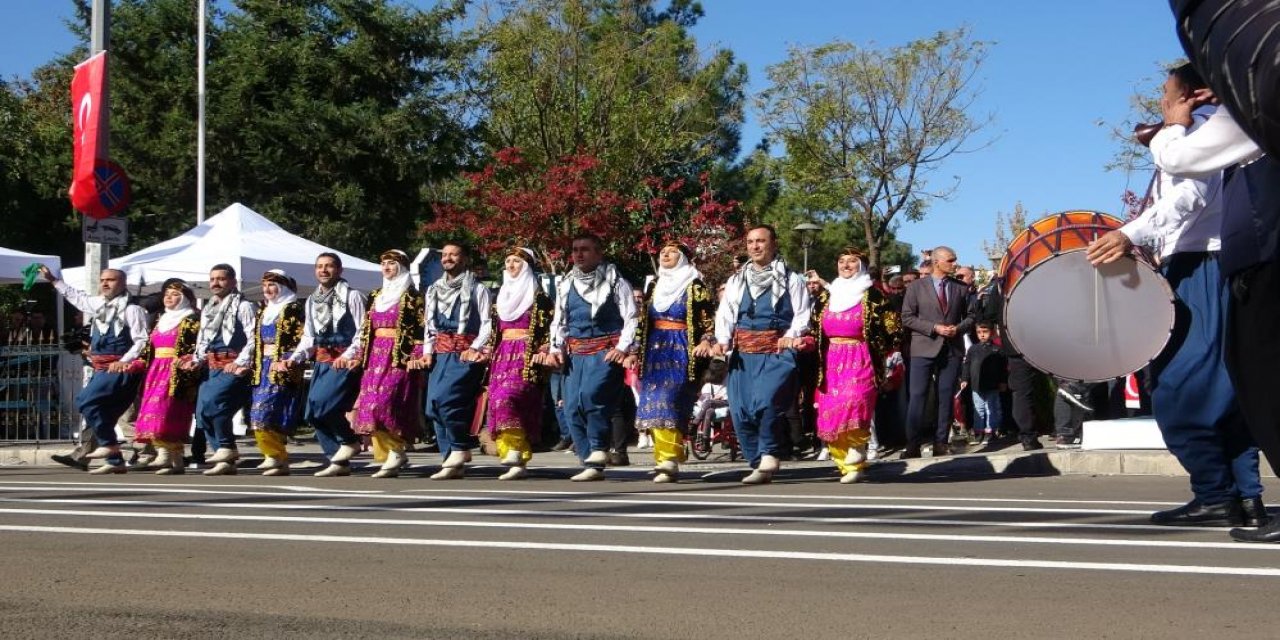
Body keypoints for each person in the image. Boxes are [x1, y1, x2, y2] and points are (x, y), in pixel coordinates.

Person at [1087, 63, 1265, 530]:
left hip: (1200, 267)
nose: (1163, 102)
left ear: (1194, 94)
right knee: (1230, 388)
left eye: (1168, 94)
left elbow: (1189, 197)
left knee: (1180, 388)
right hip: (1217, 265)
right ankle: (1245, 498)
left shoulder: (1198, 135)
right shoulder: (1218, 131)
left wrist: (1131, 234)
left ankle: (1213, 493)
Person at [697, 225, 811, 485]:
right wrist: (722, 340)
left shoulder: (790, 278)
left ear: (774, 244)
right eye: (750, 242)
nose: (755, 246)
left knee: (768, 402)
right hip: (743, 354)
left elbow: (802, 313)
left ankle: (770, 452)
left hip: (776, 351)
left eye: (761, 241)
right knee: (740, 411)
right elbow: (725, 313)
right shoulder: (738, 279)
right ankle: (758, 463)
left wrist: (792, 334)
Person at [539, 233, 639, 482]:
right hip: (575, 354)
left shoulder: (616, 282)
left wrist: (623, 347)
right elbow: (559, 321)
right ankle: (589, 462)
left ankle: (598, 448)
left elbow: (631, 317)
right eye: (575, 249)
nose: (579, 254)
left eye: (585, 249)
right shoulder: (566, 284)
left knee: (592, 397)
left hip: (604, 352)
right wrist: (555, 349)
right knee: (570, 407)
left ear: (598, 252)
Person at [40, 265, 148, 474]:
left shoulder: (132, 309)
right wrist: (53, 280)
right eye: (102, 280)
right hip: (102, 367)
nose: (105, 284)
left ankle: (110, 445)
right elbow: (78, 298)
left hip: (119, 369)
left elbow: (142, 340)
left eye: (111, 280)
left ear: (123, 283)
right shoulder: (100, 305)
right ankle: (115, 460)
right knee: (103, 412)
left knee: (85, 401)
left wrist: (124, 360)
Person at [809, 249, 900, 483]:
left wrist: (887, 352)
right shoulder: (828, 295)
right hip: (831, 359)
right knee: (832, 409)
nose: (846, 265)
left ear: (861, 266)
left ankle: (858, 447)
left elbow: (893, 327)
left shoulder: (873, 294)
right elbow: (813, 325)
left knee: (855, 399)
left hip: (861, 355)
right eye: (841, 261)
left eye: (851, 261)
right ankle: (850, 468)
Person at [335, 250, 425, 479]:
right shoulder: (377, 295)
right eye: (383, 263)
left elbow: (422, 328)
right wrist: (357, 353)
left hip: (398, 357)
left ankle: (396, 449)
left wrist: (417, 353)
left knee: (385, 403)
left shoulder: (412, 296)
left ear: (402, 267)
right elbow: (366, 331)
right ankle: (391, 455)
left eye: (392, 263)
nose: (386, 267)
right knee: (369, 405)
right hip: (375, 357)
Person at [631, 242, 714, 483]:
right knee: (653, 402)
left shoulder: (694, 284)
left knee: (671, 400)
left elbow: (707, 318)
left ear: (684, 258)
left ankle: (670, 456)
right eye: (662, 252)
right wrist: (635, 350)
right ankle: (666, 459)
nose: (665, 254)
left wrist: (707, 340)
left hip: (681, 348)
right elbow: (644, 321)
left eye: (672, 252)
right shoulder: (655, 285)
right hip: (655, 349)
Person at [281, 253, 367, 477]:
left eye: (329, 266)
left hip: (343, 361)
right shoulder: (311, 300)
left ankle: (349, 441)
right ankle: (337, 460)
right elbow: (309, 336)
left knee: (326, 405)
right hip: (321, 359)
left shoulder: (353, 296)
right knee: (312, 413)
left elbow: (362, 332)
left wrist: (349, 355)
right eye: (319, 267)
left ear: (339, 270)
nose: (324, 270)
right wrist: (295, 357)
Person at [415, 242, 493, 480]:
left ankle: (460, 447)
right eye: (445, 255)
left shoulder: (478, 289)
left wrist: (475, 348)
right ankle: (450, 460)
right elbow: (429, 326)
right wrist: (427, 351)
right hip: (441, 352)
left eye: (454, 254)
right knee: (432, 407)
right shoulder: (434, 289)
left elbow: (487, 323)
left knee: (447, 401)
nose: (448, 258)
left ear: (465, 259)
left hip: (463, 353)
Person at [484, 248, 553, 480]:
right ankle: (516, 457)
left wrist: (545, 349)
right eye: (508, 261)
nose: (511, 265)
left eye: (516, 261)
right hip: (501, 355)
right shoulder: (501, 295)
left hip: (526, 355)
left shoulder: (539, 297)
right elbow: (494, 329)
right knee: (496, 400)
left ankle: (515, 449)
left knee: (509, 397)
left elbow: (550, 326)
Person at [900, 246, 976, 458]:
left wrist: (957, 328)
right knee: (917, 396)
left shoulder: (961, 288)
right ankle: (912, 445)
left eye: (955, 260)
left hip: (951, 349)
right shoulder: (916, 287)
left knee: (946, 396)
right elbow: (907, 317)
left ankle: (940, 443)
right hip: (923, 347)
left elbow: (971, 317)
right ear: (937, 262)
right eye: (950, 260)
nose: (954, 264)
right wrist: (933, 327)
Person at [185, 264, 258, 476]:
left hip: (232, 363)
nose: (216, 283)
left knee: (216, 406)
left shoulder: (244, 306)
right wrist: (197, 359)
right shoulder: (209, 308)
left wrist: (242, 362)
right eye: (213, 279)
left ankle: (226, 446)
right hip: (211, 365)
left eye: (221, 279)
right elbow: (203, 339)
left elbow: (254, 337)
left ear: (233, 282)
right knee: (202, 413)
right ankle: (224, 457)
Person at [131, 279, 201, 475]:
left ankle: (164, 453)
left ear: (186, 298)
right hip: (156, 370)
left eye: (175, 294)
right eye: (167, 294)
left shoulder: (191, 319)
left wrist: (188, 361)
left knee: (168, 411)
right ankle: (176, 460)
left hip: (176, 370)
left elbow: (198, 346)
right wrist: (138, 362)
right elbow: (149, 347)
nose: (169, 298)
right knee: (153, 408)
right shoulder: (161, 318)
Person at [244, 269, 305, 476]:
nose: (268, 290)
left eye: (272, 285)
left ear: (283, 286)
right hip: (263, 367)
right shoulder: (264, 310)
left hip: (282, 366)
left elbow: (301, 337)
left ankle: (276, 456)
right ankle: (276, 458)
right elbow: (255, 340)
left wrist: (288, 359)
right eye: (265, 286)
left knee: (267, 412)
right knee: (256, 413)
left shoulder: (293, 308)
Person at [959, 321, 1006, 445]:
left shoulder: (997, 350)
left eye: (985, 332)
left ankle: (991, 431)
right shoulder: (973, 349)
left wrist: (1002, 381)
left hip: (992, 385)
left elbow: (1002, 368)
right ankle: (979, 431)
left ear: (992, 332)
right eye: (979, 332)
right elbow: (967, 365)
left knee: (991, 408)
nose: (982, 335)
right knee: (978, 408)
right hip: (976, 385)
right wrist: (964, 379)